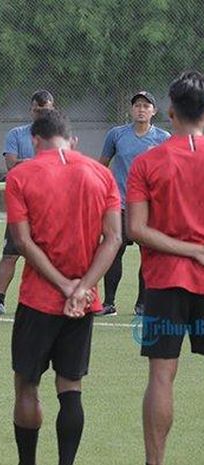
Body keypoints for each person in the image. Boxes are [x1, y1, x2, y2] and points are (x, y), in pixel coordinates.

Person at [6, 109, 121, 465]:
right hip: (83, 304)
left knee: (27, 385)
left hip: (38, 299)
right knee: (70, 388)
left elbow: (23, 242)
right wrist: (83, 288)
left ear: (35, 140)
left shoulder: (21, 175)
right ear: (72, 139)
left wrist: (61, 284)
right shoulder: (101, 174)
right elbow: (113, 238)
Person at [126, 71, 204, 465]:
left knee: (161, 374)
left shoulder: (147, 163)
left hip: (164, 283)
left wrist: (186, 250)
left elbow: (136, 230)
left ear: (169, 110)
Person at [0, 90, 54, 316]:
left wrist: (29, 163)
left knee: (52, 254)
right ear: (31, 110)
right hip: (22, 204)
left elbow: (61, 165)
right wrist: (41, 162)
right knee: (10, 254)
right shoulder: (17, 134)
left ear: (52, 110)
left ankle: (51, 299)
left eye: (46, 111)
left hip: (50, 204)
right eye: (37, 110)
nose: (41, 114)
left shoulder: (58, 135)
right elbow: (12, 164)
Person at [97, 91, 170, 316]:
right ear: (131, 110)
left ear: (154, 111)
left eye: (146, 106)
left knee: (147, 254)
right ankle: (109, 303)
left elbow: (169, 172)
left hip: (148, 206)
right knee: (114, 249)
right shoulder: (116, 135)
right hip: (119, 203)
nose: (141, 109)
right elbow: (102, 166)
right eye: (137, 105)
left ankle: (142, 304)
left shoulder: (163, 138)